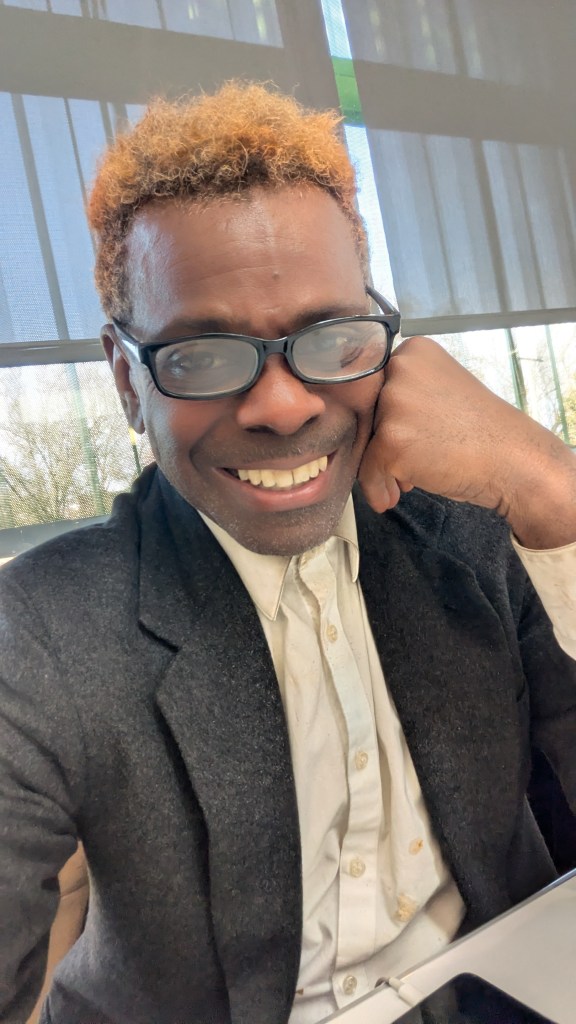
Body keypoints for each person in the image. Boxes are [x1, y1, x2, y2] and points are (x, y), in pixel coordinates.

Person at [0, 82, 575, 1024]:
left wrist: (557, 491)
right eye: (201, 355)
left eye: (332, 337)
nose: (282, 405)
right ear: (126, 380)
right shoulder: (45, 630)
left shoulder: (473, 524)